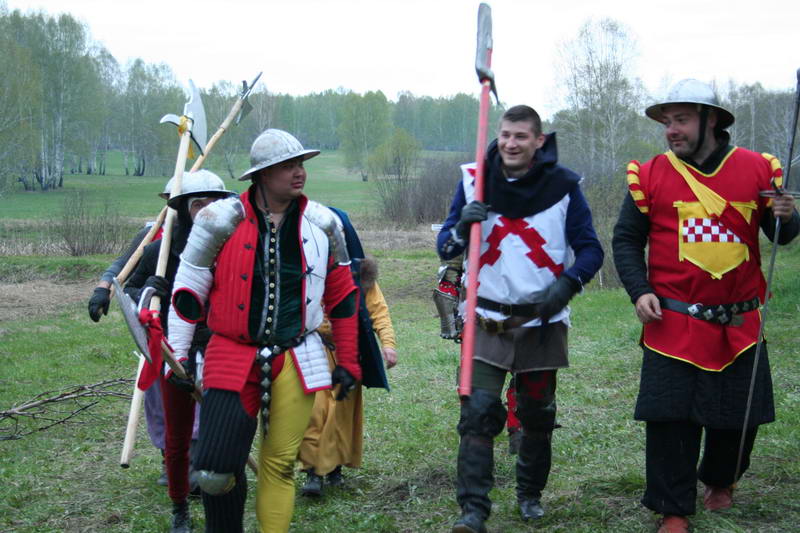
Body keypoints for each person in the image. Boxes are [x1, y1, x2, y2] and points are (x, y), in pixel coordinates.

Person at [611, 79, 799, 533]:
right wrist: (639, 290)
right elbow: (626, 239)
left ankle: (720, 477)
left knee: (739, 417)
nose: (671, 130)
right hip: (673, 319)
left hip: (739, 321)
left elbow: (782, 237)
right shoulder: (650, 175)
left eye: (681, 120)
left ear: (710, 119)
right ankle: (673, 509)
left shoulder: (758, 169)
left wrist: (789, 216)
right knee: (670, 418)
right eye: (667, 122)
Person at [166, 129, 360, 533]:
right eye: (288, 166)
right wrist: (179, 355)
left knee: (280, 466)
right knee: (216, 473)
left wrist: (349, 359)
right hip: (231, 355)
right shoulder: (218, 219)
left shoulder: (324, 223)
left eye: (300, 164)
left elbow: (342, 295)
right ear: (263, 174)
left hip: (297, 355)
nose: (299, 172)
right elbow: (187, 290)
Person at [437, 105, 604, 533]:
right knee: (476, 412)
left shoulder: (564, 187)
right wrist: (462, 228)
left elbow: (590, 249)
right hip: (485, 320)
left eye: (521, 136)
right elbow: (446, 246)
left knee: (536, 415)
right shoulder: (475, 181)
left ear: (538, 141)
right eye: (506, 135)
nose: (511, 144)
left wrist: (568, 283)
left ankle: (530, 494)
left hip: (541, 323)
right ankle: (473, 510)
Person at [126, 170, 235, 533]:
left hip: (222, 349)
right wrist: (150, 291)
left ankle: (218, 492)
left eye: (213, 203)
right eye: (198, 204)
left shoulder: (234, 246)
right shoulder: (159, 251)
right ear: (184, 210)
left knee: (222, 428)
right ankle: (179, 506)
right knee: (177, 436)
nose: (206, 210)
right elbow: (131, 291)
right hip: (176, 352)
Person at [87, 181, 171, 486]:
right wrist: (103, 289)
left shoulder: (215, 233)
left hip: (202, 328)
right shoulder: (152, 233)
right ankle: (170, 459)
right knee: (160, 398)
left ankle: (202, 459)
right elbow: (123, 265)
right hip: (157, 327)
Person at [298, 253, 397, 496]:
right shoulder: (304, 267)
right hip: (313, 348)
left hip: (348, 351)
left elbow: (378, 311)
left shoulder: (359, 272)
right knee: (314, 411)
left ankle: (334, 468)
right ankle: (313, 472)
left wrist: (388, 344)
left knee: (340, 415)